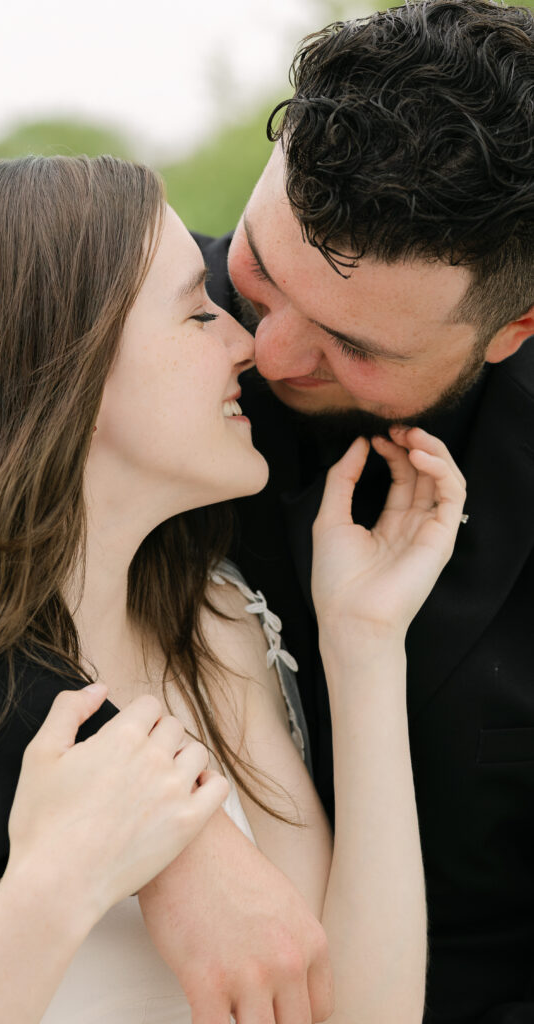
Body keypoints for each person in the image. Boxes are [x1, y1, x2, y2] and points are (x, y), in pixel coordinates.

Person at [0, 155, 467, 1023]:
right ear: (61, 367)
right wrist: (56, 891)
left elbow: (361, 1014)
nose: (246, 344)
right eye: (195, 311)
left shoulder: (216, 629)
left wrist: (364, 640)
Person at [194, 1, 534, 1021]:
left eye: (357, 346)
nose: (272, 353)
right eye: (260, 267)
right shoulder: (111, 329)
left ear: (511, 330)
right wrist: (178, 847)